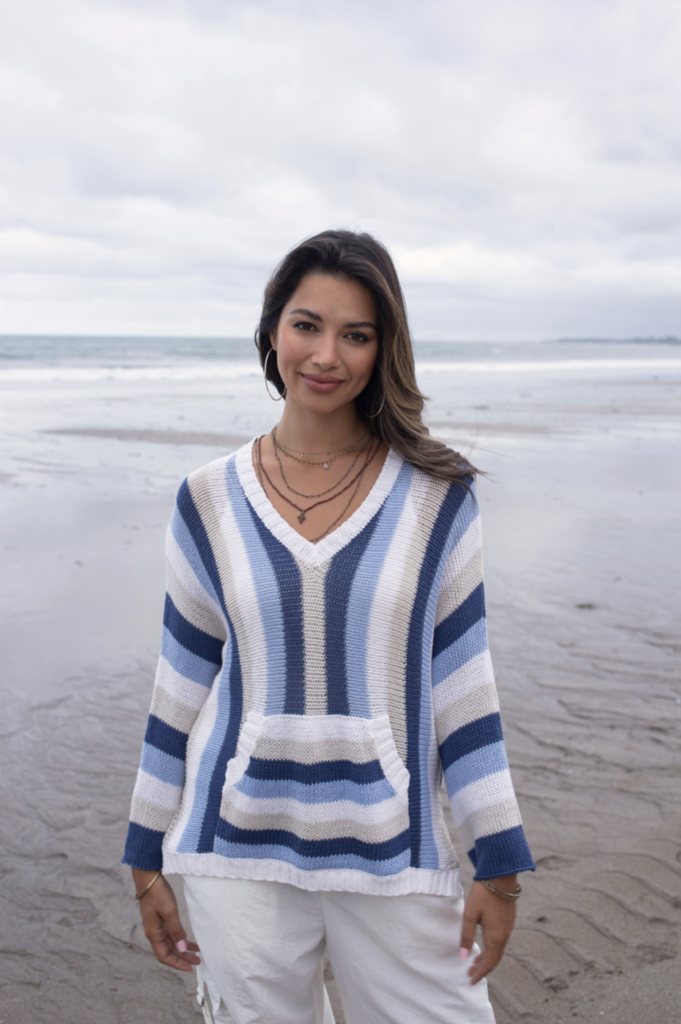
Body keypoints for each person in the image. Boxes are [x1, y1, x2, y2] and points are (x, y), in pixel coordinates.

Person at [123, 229, 535, 1024]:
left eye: (356, 335)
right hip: (232, 850)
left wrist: (499, 860)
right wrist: (143, 854)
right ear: (272, 329)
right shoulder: (206, 498)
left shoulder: (435, 497)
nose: (325, 355)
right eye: (306, 325)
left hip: (394, 854)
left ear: (384, 350)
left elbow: (463, 688)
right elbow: (178, 685)